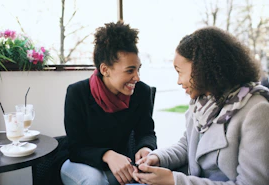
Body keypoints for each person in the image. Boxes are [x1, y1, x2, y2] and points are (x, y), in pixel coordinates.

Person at [131, 26, 269, 185]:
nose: (179, 81)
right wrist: (157, 158)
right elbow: (187, 146)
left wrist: (175, 181)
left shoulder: (257, 110)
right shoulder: (202, 104)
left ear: (201, 68)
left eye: (180, 71)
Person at [60, 21, 157, 185]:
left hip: (121, 165)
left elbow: (146, 132)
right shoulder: (77, 93)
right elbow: (76, 148)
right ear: (105, 70)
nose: (137, 77)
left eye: (138, 69)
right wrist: (108, 155)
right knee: (94, 181)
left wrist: (145, 148)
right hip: (80, 164)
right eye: (130, 70)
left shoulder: (142, 92)